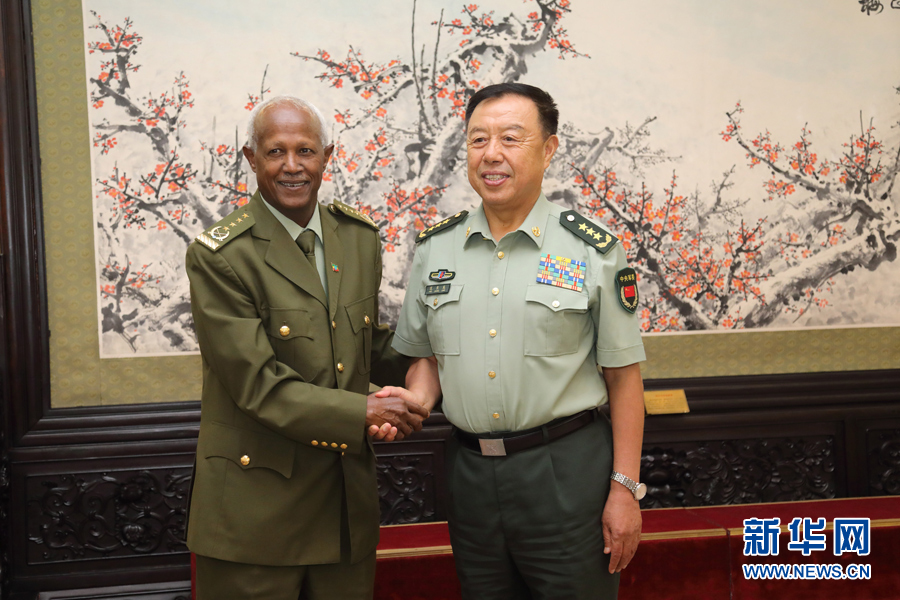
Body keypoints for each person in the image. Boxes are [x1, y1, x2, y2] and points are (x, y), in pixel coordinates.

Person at [378, 83, 647, 599]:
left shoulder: (592, 250)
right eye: (478, 139)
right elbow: (425, 359)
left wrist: (625, 489)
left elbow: (623, 377)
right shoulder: (436, 249)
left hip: (565, 471)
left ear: (548, 150)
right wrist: (415, 401)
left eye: (510, 138)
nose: (491, 154)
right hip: (470, 477)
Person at [185, 95, 429, 600]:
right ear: (251, 159)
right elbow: (258, 386)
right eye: (275, 152)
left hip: (344, 511)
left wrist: (436, 357)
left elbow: (364, 345)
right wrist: (366, 409)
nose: (292, 166)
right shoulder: (222, 256)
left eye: (306, 151)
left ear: (326, 156)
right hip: (255, 518)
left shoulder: (358, 238)